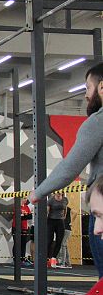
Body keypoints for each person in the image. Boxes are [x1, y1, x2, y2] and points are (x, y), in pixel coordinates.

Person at [29, 62, 103, 276]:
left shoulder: (97, 122)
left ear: (101, 87)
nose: (86, 95)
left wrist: (38, 192)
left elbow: (70, 168)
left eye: (88, 88)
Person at [46, 190, 68, 268]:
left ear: (62, 193)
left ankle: (53, 258)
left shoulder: (65, 199)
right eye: (57, 193)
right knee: (49, 240)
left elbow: (65, 208)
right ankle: (46, 258)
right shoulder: (51, 200)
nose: (59, 194)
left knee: (59, 240)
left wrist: (64, 216)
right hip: (51, 220)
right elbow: (47, 211)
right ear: (55, 193)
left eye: (60, 193)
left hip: (60, 221)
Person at [12, 198, 33, 267]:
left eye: (26, 198)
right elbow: (17, 216)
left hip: (24, 228)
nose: (26, 200)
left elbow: (30, 216)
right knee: (17, 243)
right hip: (16, 227)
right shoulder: (16, 206)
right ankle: (15, 260)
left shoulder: (26, 207)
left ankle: (22, 260)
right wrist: (24, 216)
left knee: (23, 244)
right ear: (21, 199)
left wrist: (23, 216)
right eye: (24, 198)